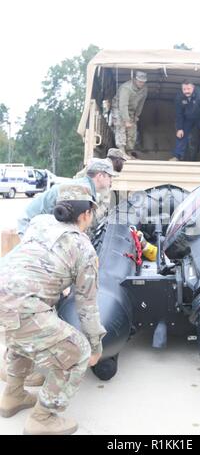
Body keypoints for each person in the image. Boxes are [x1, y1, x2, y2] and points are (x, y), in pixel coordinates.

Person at [0, 185, 106, 435]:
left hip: (4, 294)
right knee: (77, 351)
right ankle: (44, 417)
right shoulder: (84, 248)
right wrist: (95, 346)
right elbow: (87, 307)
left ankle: (13, 396)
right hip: (24, 306)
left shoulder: (40, 223)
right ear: (85, 215)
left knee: (21, 338)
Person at [17, 158, 117, 238]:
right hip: (30, 224)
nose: (112, 180)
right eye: (110, 176)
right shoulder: (81, 191)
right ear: (100, 176)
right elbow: (74, 226)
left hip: (41, 222)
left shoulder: (85, 186)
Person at [170, 80, 200, 162]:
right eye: (184, 89)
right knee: (181, 134)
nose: (186, 91)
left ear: (193, 87)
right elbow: (179, 114)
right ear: (182, 89)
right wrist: (179, 128)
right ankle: (177, 156)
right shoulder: (179, 97)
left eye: (188, 89)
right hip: (187, 118)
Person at [111, 71, 148, 158]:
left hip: (131, 110)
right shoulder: (126, 88)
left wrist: (136, 115)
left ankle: (129, 151)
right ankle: (121, 151)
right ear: (135, 79)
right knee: (121, 126)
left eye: (143, 82)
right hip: (119, 108)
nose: (141, 83)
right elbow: (123, 105)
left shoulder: (144, 89)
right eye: (140, 81)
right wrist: (126, 120)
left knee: (133, 130)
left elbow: (141, 103)